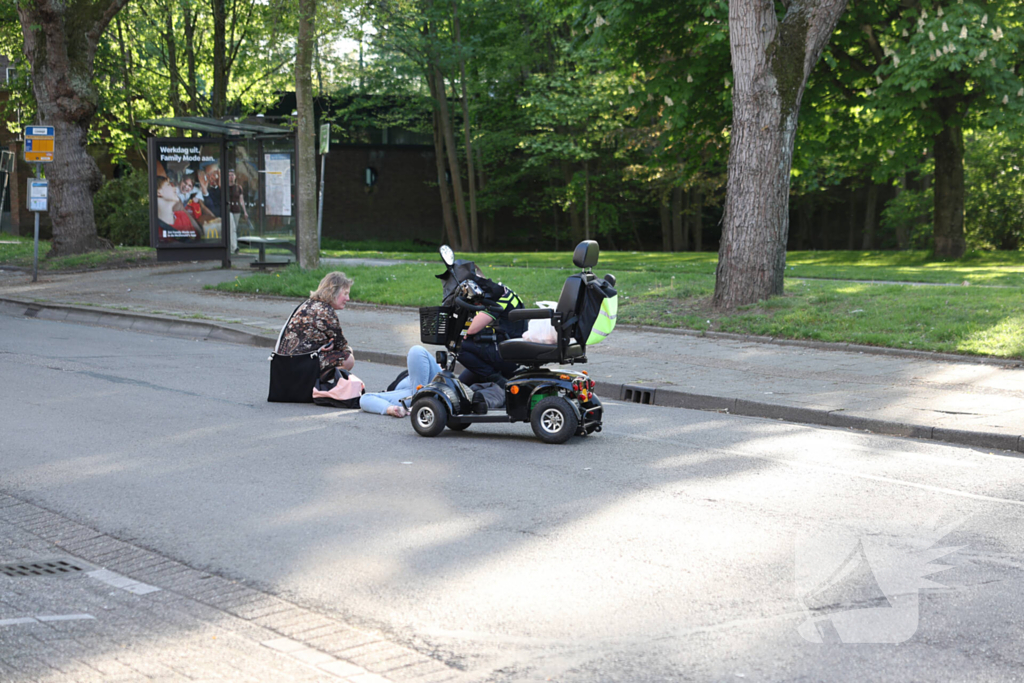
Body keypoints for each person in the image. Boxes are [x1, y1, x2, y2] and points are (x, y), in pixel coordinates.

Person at [278, 272, 356, 377]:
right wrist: (343, 349)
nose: (348, 298)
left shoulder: (308, 304)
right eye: (345, 294)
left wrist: (327, 345)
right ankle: (313, 384)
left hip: (285, 361)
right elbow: (341, 345)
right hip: (302, 362)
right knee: (348, 358)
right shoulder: (325, 311)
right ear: (334, 292)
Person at [457, 270, 526, 386]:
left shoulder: (497, 296)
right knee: (462, 384)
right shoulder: (501, 291)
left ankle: (498, 381)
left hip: (508, 353)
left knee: (457, 346)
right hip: (510, 348)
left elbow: (471, 329)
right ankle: (492, 377)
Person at [359, 345, 441, 418]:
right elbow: (365, 399)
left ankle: (420, 403)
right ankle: (420, 403)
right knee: (364, 398)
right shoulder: (395, 395)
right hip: (418, 395)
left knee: (416, 351)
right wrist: (391, 409)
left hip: (431, 381)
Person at [155, 176, 202, 241]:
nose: (174, 188)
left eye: (189, 186)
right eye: (169, 185)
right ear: (158, 192)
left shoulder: (182, 215)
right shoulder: (156, 230)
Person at [227, 169, 248, 254]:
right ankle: (234, 247)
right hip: (228, 210)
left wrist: (245, 211)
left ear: (235, 176)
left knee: (234, 229)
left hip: (237, 210)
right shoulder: (225, 187)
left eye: (232, 175)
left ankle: (231, 246)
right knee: (232, 229)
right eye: (229, 175)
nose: (231, 177)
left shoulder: (238, 187)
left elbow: (241, 200)